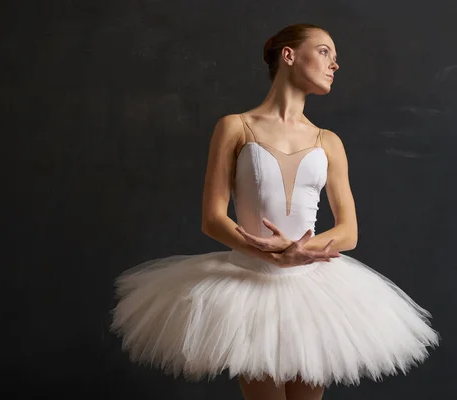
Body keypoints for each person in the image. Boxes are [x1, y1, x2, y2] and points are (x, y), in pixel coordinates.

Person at [110, 23, 439, 400]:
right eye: (325, 52)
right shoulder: (235, 127)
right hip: (248, 284)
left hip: (315, 289)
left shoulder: (328, 141)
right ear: (289, 56)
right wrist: (273, 254)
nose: (335, 64)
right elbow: (213, 218)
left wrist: (301, 252)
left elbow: (348, 231)